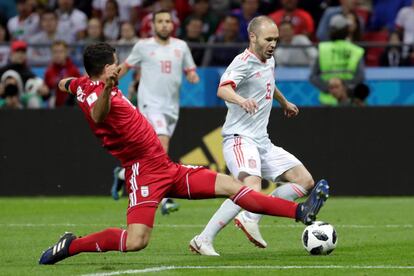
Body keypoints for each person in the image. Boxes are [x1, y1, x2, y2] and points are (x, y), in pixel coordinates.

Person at [38, 42, 329, 265]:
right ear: (106, 69)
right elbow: (99, 115)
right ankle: (72, 245)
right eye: (116, 65)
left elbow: (68, 84)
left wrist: (65, 84)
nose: (119, 69)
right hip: (144, 172)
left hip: (165, 167)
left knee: (233, 187)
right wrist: (106, 89)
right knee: (137, 240)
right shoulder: (98, 94)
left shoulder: (81, 85)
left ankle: (299, 212)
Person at [189, 16, 326, 256]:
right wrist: (242, 100)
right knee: (248, 187)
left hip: (262, 140)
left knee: (304, 181)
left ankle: (251, 216)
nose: (273, 44)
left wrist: (284, 101)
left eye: (276, 39)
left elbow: (269, 83)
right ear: (253, 37)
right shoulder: (242, 62)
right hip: (239, 138)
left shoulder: (268, 60)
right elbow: (222, 88)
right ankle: (203, 239)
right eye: (268, 39)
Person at [110, 10, 199, 216]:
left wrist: (192, 76)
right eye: (160, 21)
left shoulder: (181, 46)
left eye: (168, 21)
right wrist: (109, 80)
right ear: (153, 25)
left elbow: (190, 70)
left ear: (172, 25)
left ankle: (124, 174)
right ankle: (165, 197)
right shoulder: (143, 46)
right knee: (162, 144)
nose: (164, 25)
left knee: (153, 152)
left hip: (171, 108)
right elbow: (126, 66)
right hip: (150, 104)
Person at [310, 14, 365, 106]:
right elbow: (360, 76)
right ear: (346, 31)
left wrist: (329, 89)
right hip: (347, 100)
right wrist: (343, 89)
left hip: (326, 101)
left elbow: (313, 77)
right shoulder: (355, 50)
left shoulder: (323, 49)